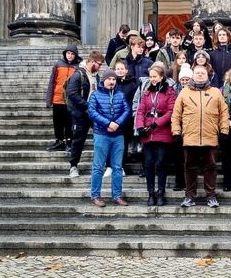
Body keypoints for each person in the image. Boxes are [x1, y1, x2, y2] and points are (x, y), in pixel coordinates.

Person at [171, 64, 229, 208]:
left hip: (210, 137)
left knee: (211, 167)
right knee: (190, 167)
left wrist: (224, 130)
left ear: (207, 75)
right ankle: (190, 196)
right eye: (197, 73)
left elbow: (224, 113)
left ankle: (211, 196)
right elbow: (176, 115)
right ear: (193, 75)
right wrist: (176, 132)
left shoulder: (216, 92)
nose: (200, 75)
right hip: (190, 137)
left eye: (203, 73)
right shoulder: (184, 92)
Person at [87, 69, 131, 207]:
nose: (112, 81)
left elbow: (127, 110)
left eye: (114, 79)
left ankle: (117, 195)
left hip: (118, 135)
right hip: (101, 134)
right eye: (109, 79)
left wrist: (117, 123)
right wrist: (107, 123)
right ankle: (95, 196)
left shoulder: (120, 95)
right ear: (103, 80)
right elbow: (92, 111)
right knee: (98, 167)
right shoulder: (95, 95)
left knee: (117, 167)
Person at [135, 63, 177, 206]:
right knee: (147, 164)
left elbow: (171, 111)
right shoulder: (147, 91)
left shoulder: (170, 91)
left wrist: (157, 123)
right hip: (147, 133)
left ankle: (160, 192)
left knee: (160, 163)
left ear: (161, 77)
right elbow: (141, 110)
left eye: (154, 76)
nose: (152, 79)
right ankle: (151, 193)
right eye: (150, 76)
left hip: (162, 132)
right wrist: (140, 126)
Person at [65, 50, 104, 178]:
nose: (100, 67)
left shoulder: (95, 75)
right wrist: (88, 106)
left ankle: (103, 165)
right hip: (80, 114)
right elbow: (72, 94)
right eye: (99, 64)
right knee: (78, 140)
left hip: (92, 113)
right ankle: (73, 166)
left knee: (102, 137)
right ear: (92, 62)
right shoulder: (78, 75)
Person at [45, 44, 81, 152]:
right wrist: (49, 99)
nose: (70, 56)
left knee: (69, 121)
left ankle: (69, 142)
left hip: (71, 100)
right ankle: (59, 141)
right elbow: (52, 82)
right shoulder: (58, 64)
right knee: (57, 121)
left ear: (75, 55)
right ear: (65, 54)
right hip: (58, 98)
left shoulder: (78, 67)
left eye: (72, 54)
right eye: (68, 53)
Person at [171, 63, 194, 194]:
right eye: (183, 80)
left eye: (187, 79)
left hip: (190, 127)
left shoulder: (194, 91)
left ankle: (188, 183)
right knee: (178, 157)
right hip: (178, 126)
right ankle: (179, 181)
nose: (185, 82)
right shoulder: (174, 90)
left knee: (189, 158)